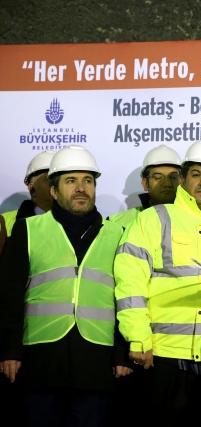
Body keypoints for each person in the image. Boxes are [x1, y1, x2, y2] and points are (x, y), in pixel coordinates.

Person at [114, 138, 201, 426]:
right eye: (197, 174)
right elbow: (130, 282)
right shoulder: (153, 219)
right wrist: (138, 337)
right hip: (164, 357)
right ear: (183, 179)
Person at [0, 145, 131, 426]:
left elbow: (127, 297)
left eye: (88, 181)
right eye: (71, 181)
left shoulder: (118, 234)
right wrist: (10, 351)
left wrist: (121, 354)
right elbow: (9, 296)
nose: (81, 188)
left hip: (97, 363)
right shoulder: (28, 230)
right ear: (54, 191)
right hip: (40, 362)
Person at [107, 144, 181, 228]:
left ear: (182, 182)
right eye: (158, 177)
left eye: (173, 177)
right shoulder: (117, 223)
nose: (167, 184)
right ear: (145, 184)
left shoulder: (192, 218)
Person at [0, 150, 56, 258]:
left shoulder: (81, 222)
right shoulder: (4, 223)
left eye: (63, 179)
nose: (57, 184)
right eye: (49, 179)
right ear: (32, 189)